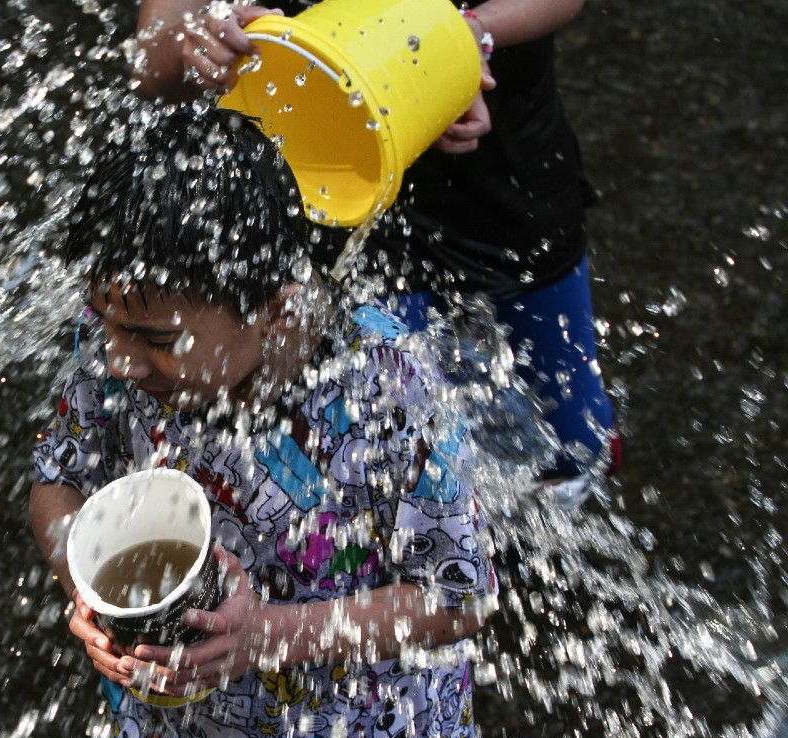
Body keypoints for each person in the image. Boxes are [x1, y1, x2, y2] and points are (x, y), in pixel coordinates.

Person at [30, 107, 497, 738]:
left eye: (155, 339)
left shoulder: (389, 391)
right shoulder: (122, 341)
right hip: (184, 728)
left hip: (359, 729)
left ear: (276, 312)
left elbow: (460, 598)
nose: (116, 358)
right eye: (104, 321)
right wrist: (82, 584)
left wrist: (266, 636)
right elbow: (58, 483)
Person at [131, 0, 620, 506]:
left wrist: (464, 37)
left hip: (507, 194)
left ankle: (557, 507)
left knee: (572, 439)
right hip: (332, 188)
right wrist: (198, 44)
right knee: (384, 446)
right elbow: (154, 59)